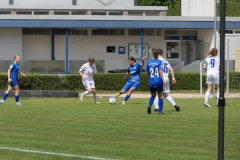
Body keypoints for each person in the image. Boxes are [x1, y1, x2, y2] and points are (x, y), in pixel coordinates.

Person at [146, 49, 165, 114]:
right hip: (158, 80)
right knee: (160, 96)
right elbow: (160, 71)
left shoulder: (149, 62)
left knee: (153, 95)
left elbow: (146, 72)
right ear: (158, 54)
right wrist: (163, 80)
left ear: (152, 54)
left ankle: (149, 105)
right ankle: (160, 111)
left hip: (151, 81)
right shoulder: (159, 62)